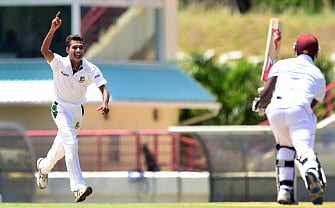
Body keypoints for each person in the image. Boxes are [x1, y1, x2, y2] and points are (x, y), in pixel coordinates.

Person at [37, 11, 110, 203]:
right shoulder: (59, 63)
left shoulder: (90, 68)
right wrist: (52, 29)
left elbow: (104, 88)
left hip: (77, 112)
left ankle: (43, 168)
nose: (78, 50)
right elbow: (44, 50)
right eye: (75, 47)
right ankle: (78, 187)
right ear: (67, 49)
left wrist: (105, 102)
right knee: (71, 144)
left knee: (61, 149)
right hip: (60, 108)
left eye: (81, 47)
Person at [256, 34, 327, 205]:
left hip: (276, 109)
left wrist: (259, 103)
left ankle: (285, 191)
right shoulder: (318, 75)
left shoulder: (281, 65)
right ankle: (312, 172)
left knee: (285, 148)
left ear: (295, 49)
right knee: (303, 149)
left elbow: (267, 93)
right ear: (316, 53)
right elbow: (311, 105)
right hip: (300, 107)